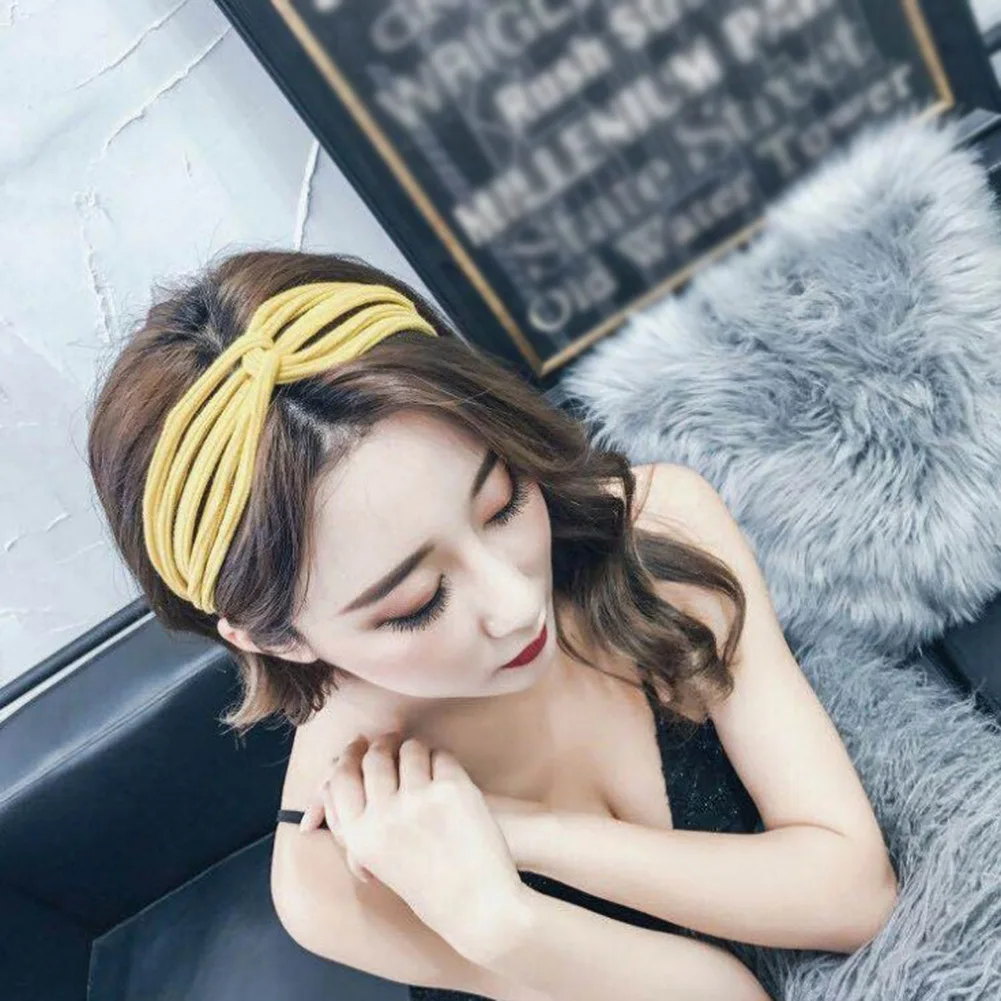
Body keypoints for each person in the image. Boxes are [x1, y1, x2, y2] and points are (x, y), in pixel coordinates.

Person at [87, 249, 898, 1001]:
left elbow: (853, 894)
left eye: (502, 501)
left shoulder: (659, 533)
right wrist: (503, 925)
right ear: (275, 639)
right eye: (415, 603)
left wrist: (520, 834)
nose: (515, 602)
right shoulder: (328, 872)